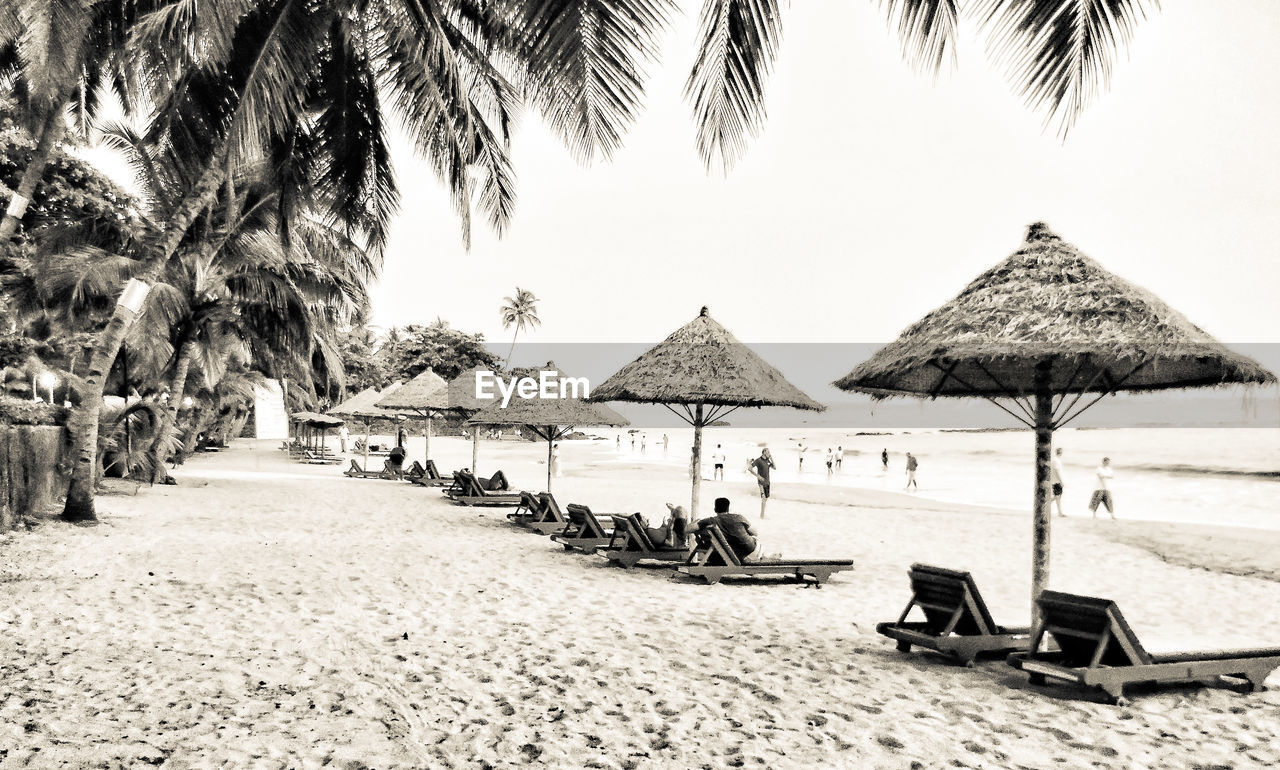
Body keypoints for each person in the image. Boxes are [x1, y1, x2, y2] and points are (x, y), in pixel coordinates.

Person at [695, 497, 761, 560]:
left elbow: (688, 529)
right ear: (728, 509)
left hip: (723, 555)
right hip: (747, 551)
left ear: (715, 509)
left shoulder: (710, 521)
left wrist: (696, 522)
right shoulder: (738, 517)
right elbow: (755, 533)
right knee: (757, 543)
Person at [747, 448, 776, 518]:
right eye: (768, 452)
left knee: (766, 499)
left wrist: (772, 459)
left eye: (769, 452)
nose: (769, 453)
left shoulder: (768, 460)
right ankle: (762, 516)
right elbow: (749, 468)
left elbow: (774, 468)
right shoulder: (758, 460)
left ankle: (762, 514)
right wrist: (758, 476)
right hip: (761, 482)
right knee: (763, 498)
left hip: (767, 481)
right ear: (764, 453)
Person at [1050, 447, 1066, 517]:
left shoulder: (1054, 460)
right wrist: (1061, 481)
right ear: (1061, 453)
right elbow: (1057, 471)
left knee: (1057, 497)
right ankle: (1059, 513)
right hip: (1057, 481)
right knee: (1057, 497)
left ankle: (1059, 512)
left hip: (1054, 481)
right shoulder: (1056, 460)